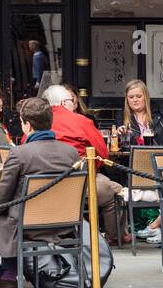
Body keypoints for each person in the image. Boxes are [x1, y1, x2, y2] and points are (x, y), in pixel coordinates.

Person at [0, 96, 79, 288]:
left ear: (27, 125)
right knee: (9, 217)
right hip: (62, 226)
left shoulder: (20, 154)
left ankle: (1, 277)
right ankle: (8, 276)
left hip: (24, 227)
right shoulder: (71, 153)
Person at [41, 84, 125, 243]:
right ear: (65, 103)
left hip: (45, 187)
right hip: (82, 185)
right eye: (71, 100)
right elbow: (103, 153)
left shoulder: (38, 124)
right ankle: (114, 238)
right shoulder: (81, 121)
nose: (74, 103)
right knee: (114, 193)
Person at [118, 79, 163, 147]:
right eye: (131, 97)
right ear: (127, 99)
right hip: (133, 156)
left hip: (160, 155)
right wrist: (118, 136)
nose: (135, 100)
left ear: (146, 96)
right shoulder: (121, 116)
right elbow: (118, 146)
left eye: (139, 96)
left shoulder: (161, 111)